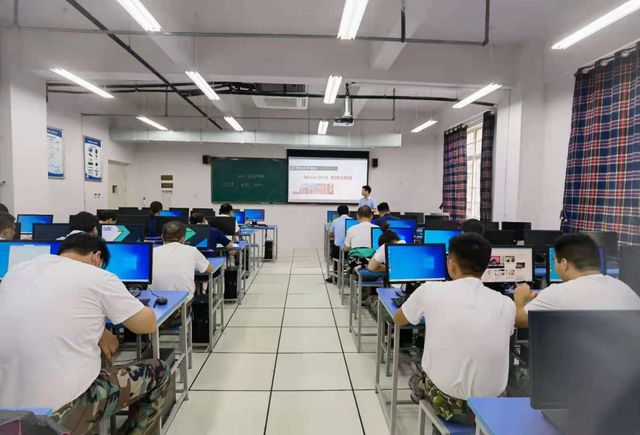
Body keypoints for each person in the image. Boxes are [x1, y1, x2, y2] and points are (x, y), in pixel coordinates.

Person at [0, 233, 169, 434]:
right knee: (159, 371)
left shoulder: (16, 272)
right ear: (97, 257)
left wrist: (100, 329)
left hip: (7, 414)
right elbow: (147, 325)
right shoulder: (99, 277)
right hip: (58, 413)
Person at [394, 234, 515, 424]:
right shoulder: (506, 303)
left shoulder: (429, 290)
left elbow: (399, 320)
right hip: (493, 405)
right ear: (486, 266)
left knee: (416, 375)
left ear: (451, 263)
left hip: (450, 403)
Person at [515, 234, 640, 328]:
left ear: (564, 263)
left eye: (555, 261)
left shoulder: (557, 293)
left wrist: (520, 298)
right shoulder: (625, 290)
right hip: (624, 355)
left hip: (572, 355)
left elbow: (518, 321)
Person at [149, 221, 214, 301]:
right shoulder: (192, 250)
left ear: (162, 237)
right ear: (184, 238)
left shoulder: (151, 252)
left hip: (155, 300)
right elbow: (210, 269)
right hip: (183, 301)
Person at [326, 205, 351, 283]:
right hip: (350, 250)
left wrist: (337, 234)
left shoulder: (335, 221)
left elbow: (330, 235)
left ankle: (336, 275)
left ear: (338, 213)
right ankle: (350, 274)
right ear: (348, 212)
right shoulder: (353, 221)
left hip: (338, 251)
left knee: (334, 246)